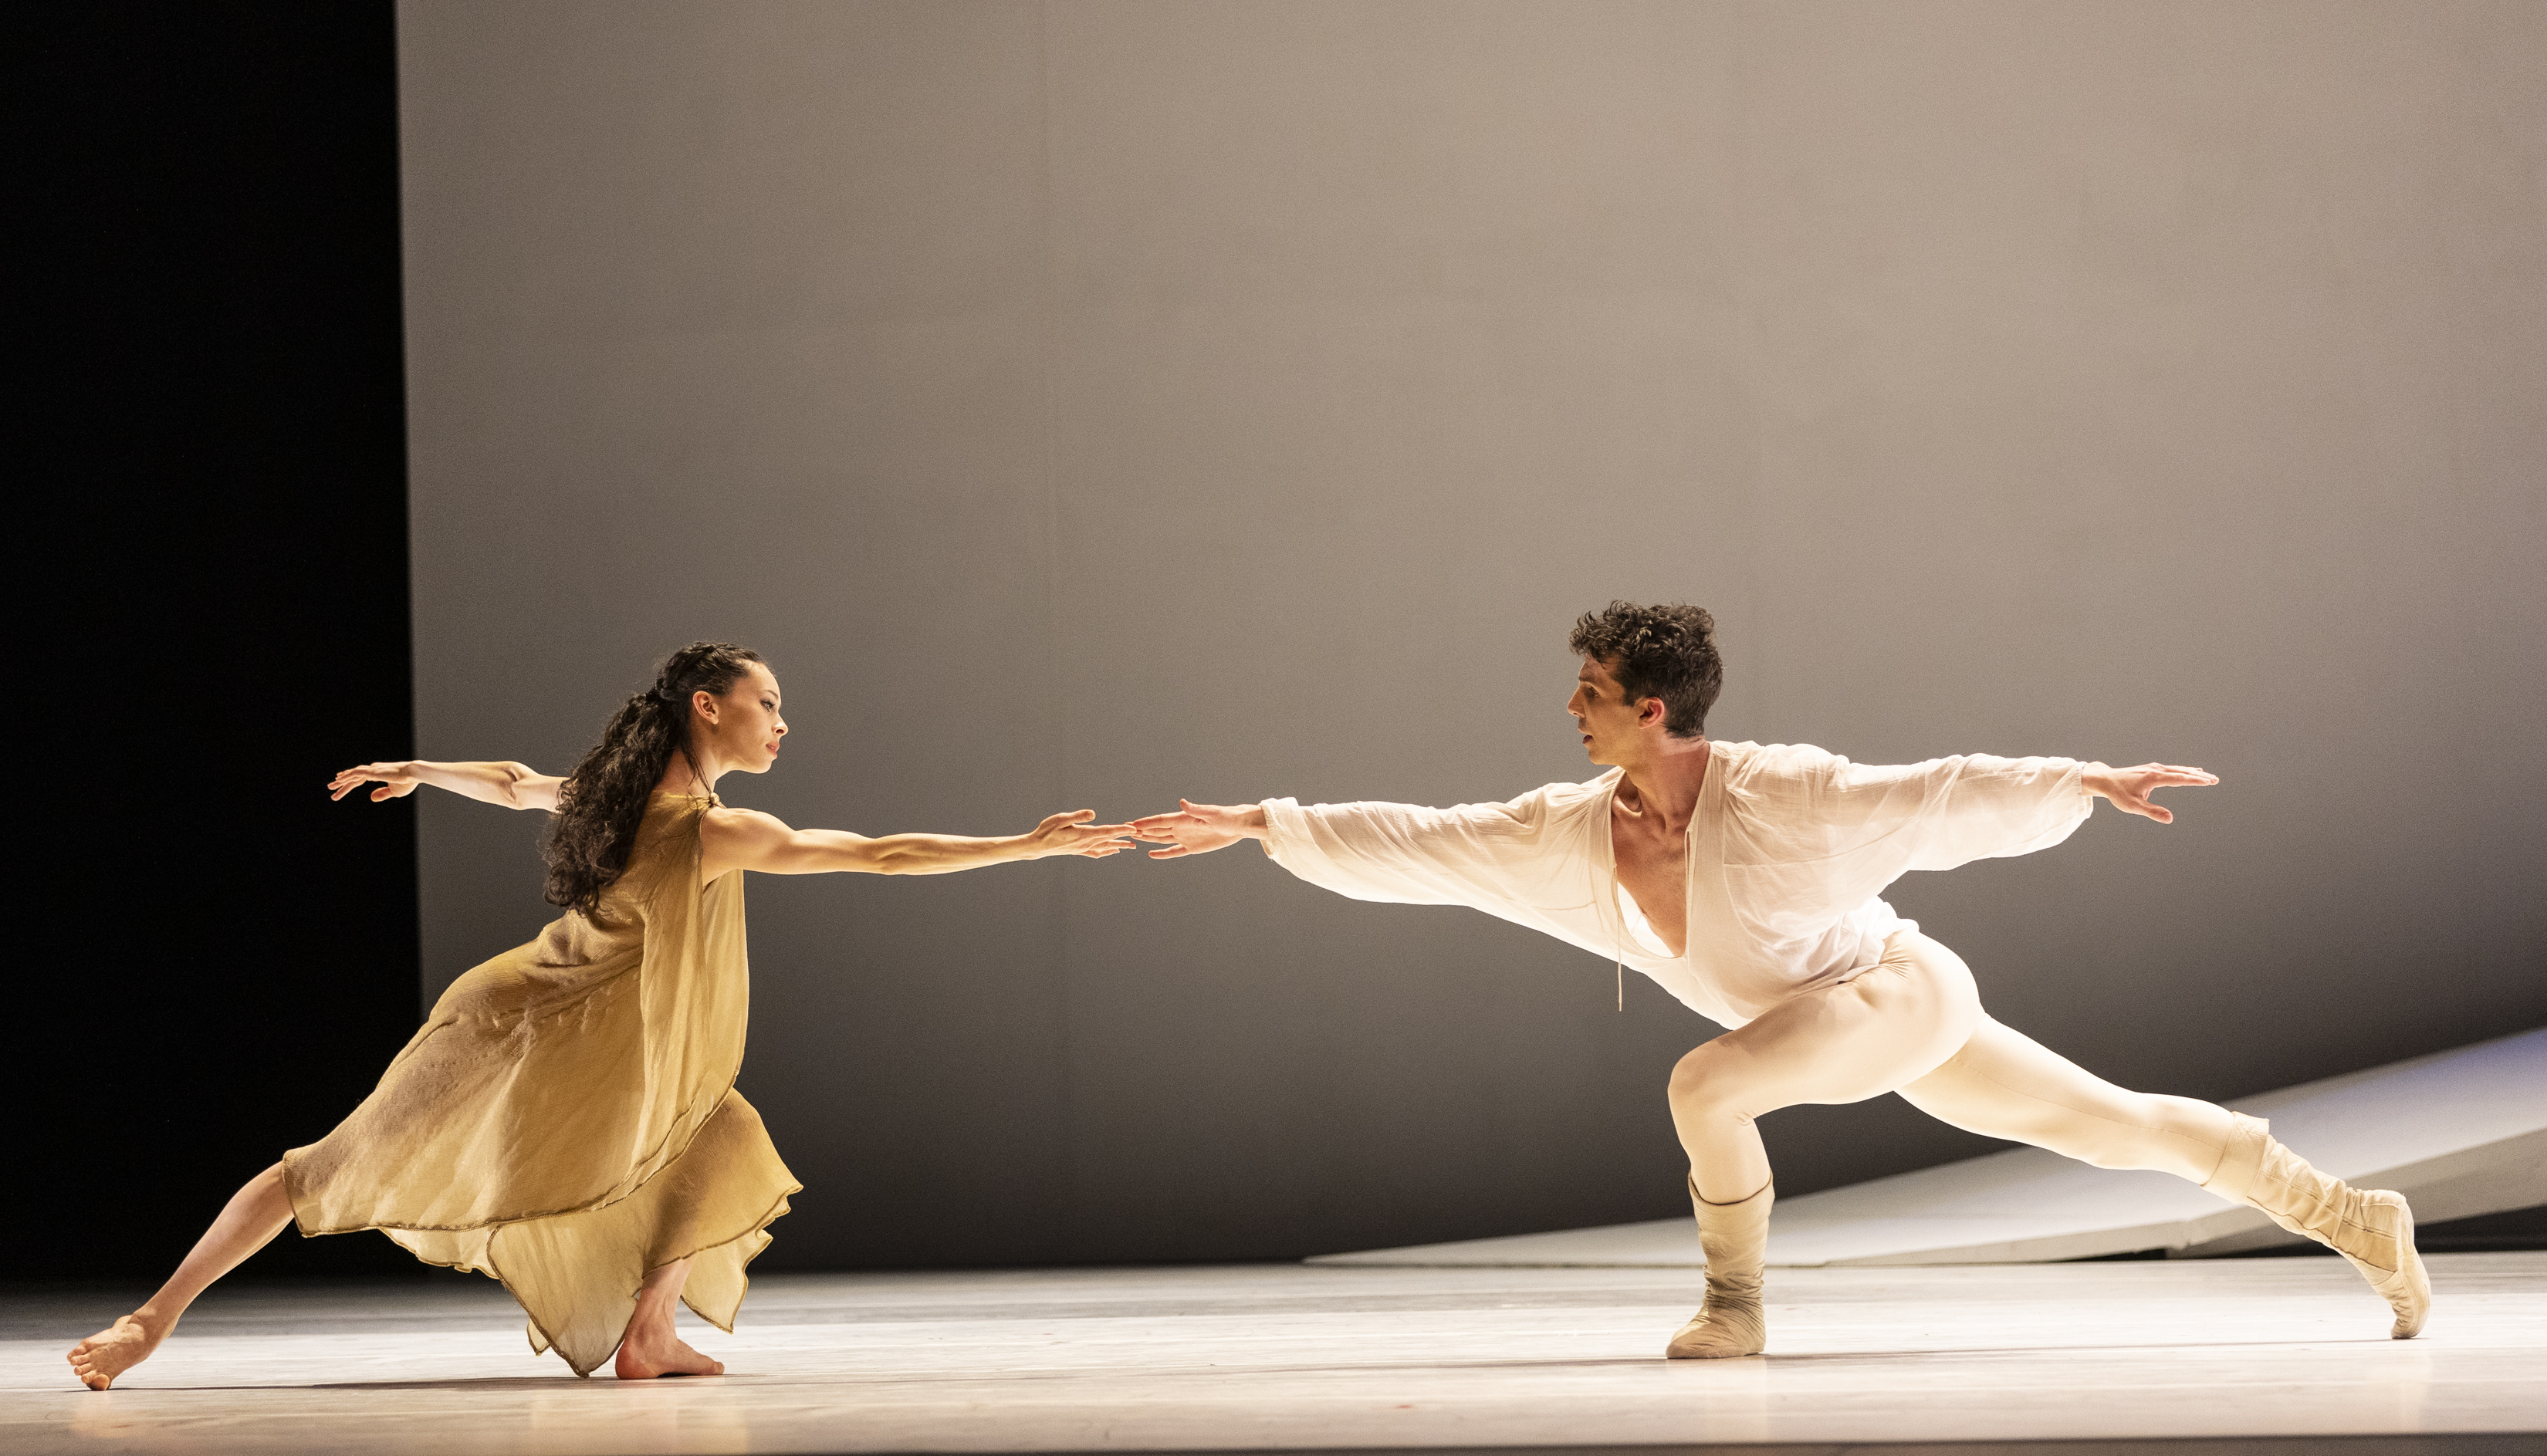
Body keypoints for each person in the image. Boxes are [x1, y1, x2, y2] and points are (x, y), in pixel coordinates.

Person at [1129, 602, 2427, 1358]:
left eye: (1592, 693)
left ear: (1652, 710)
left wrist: (2078, 782)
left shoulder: (1781, 789)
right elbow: (1428, 839)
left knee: (1707, 1086)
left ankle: (1734, 1304)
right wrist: (1261, 823)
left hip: (1896, 993)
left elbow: (1926, 793)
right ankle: (2359, 1218)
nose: (1572, 711)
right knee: (2118, 1126)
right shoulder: (1571, 826)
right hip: (1840, 1020)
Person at [69, 642, 1135, 1389]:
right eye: (767, 702)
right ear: (706, 707)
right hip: (513, 1029)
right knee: (325, 1168)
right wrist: (1026, 844)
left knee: (720, 1136)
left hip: (607, 1050)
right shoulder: (703, 828)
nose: (782, 722)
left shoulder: (623, 800)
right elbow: (878, 854)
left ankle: (650, 1335)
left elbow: (515, 782)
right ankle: (149, 1320)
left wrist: (425, 772)